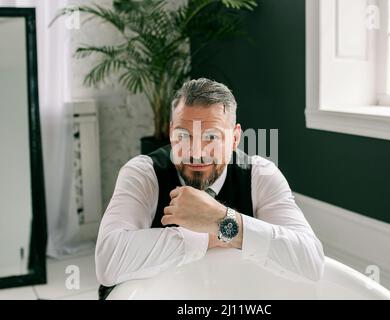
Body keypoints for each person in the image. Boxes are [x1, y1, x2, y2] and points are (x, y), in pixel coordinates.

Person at [95, 78, 325, 299]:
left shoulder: (260, 175)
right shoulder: (143, 173)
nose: (196, 151)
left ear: (235, 138)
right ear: (171, 132)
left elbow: (311, 261)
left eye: (212, 136)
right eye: (184, 136)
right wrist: (211, 233)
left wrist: (222, 219)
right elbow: (108, 263)